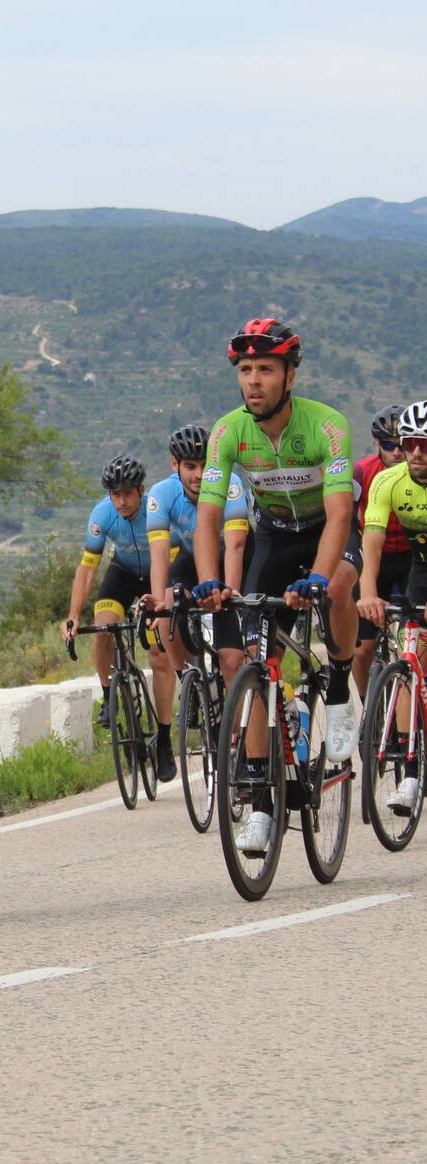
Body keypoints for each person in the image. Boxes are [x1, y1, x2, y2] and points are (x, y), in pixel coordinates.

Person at [194, 318, 360, 855]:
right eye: (246, 370)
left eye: (266, 369)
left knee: (336, 586)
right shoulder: (228, 431)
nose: (254, 381)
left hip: (325, 533)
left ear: (290, 375)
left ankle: (337, 685)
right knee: (256, 664)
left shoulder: (326, 426)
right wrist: (209, 582)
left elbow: (339, 515)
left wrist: (316, 578)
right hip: (274, 535)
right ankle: (264, 807)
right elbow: (208, 519)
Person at [62, 453, 177, 780]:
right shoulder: (101, 515)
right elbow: (87, 569)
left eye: (127, 493)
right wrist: (72, 615)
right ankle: (109, 695)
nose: (121, 501)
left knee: (158, 654)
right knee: (102, 631)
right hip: (123, 573)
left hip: (158, 572)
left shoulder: (157, 507)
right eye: (115, 494)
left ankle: (165, 738)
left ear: (142, 490)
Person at [358, 401, 427, 814]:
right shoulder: (388, 482)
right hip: (420, 563)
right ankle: (412, 773)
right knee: (409, 659)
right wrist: (368, 594)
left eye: (426, 445)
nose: (417, 452)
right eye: (411, 443)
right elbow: (372, 543)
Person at [143, 424, 250, 689]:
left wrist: (231, 590)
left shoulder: (231, 483)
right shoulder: (161, 494)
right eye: (190, 466)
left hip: (234, 559)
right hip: (193, 558)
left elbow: (236, 546)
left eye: (205, 465)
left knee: (232, 660)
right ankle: (189, 682)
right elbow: (159, 553)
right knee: (166, 604)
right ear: (174, 464)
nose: (200, 475)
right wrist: (157, 602)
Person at [352, 404, 409, 698]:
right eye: (389, 445)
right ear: (377, 444)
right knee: (362, 649)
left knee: (409, 643)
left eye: (403, 445)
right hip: (372, 556)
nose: (397, 453)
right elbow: (348, 520)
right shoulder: (362, 471)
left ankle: (407, 719)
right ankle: (369, 709)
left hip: (411, 558)